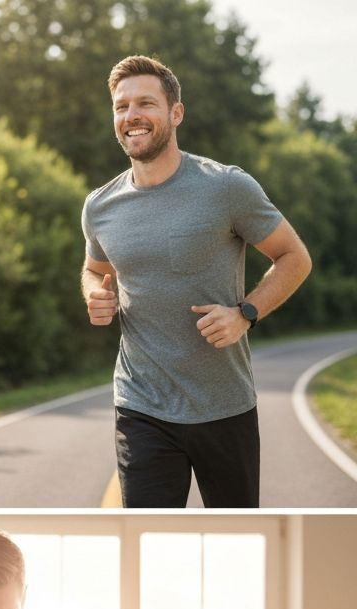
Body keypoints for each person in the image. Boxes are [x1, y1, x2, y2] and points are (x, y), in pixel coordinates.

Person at [81, 55, 312, 508]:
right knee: (146, 531)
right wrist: (94, 294)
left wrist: (246, 312)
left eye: (145, 103)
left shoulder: (226, 187)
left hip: (224, 405)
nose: (132, 116)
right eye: (121, 106)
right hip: (140, 404)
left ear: (175, 113)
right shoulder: (100, 206)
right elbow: (94, 269)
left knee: (238, 532)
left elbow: (294, 257)